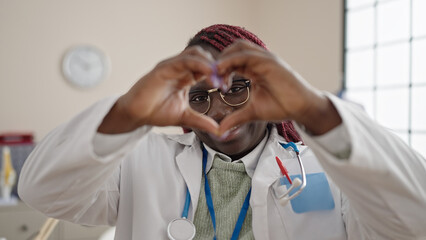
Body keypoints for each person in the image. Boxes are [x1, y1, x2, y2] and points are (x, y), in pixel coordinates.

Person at [18, 24, 426, 240]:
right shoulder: (143, 161)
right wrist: (127, 114)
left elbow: (415, 219)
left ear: (268, 87)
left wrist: (312, 108)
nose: (217, 110)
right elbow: (43, 192)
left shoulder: (325, 168)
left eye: (236, 90)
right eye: (199, 96)